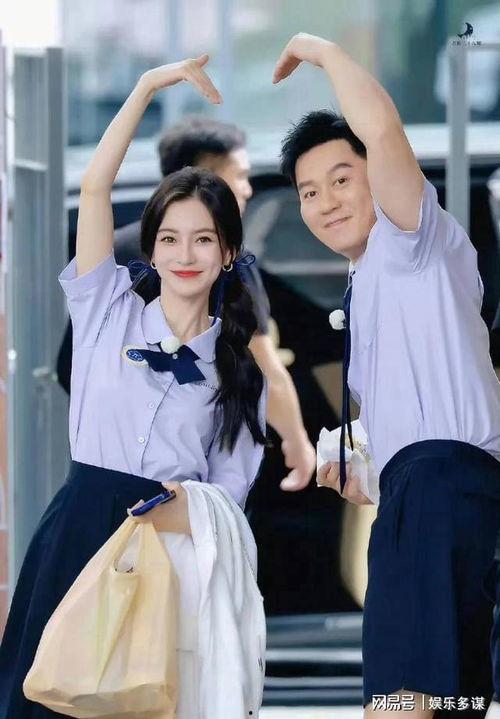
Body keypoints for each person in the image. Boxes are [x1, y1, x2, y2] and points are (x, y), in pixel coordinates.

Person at [0, 55, 267, 719]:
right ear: (150, 249)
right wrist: (147, 87)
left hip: (164, 554)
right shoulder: (107, 309)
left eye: (203, 239)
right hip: (79, 530)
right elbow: (96, 188)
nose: (185, 254)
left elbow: (231, 496)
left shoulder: (238, 372)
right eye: (169, 238)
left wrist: (180, 510)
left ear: (227, 254)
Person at [274, 32, 500, 718]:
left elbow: (381, 127)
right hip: (427, 495)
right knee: (449, 702)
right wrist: (361, 472)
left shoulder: (411, 239)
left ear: (378, 173)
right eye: (309, 191)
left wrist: (321, 50)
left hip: (438, 494)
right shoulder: (367, 279)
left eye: (342, 179)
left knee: (398, 703)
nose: (326, 201)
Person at [57, 115, 316, 492]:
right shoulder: (116, 292)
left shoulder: (120, 247)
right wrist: (296, 439)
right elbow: (265, 366)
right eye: (239, 175)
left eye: (203, 241)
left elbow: (67, 366)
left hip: (153, 493)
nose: (247, 189)